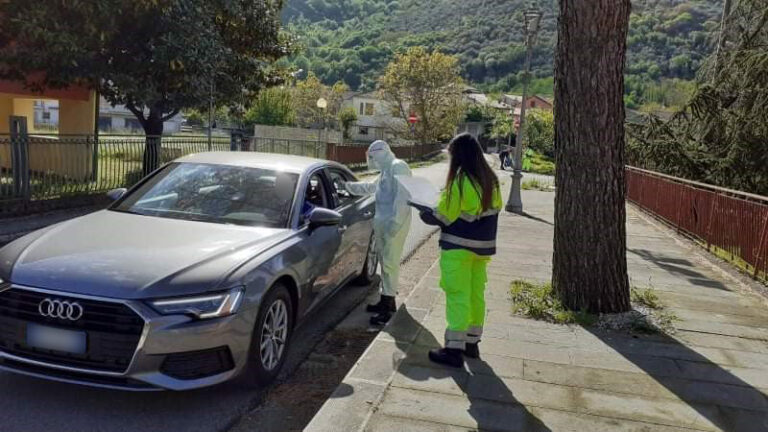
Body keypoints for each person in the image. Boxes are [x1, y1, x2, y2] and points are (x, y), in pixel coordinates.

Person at [416, 133, 502, 367]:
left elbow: (444, 215)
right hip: (482, 250)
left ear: (459, 155)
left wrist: (426, 214)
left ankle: (453, 349)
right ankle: (472, 344)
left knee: (457, 294)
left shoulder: (460, 181)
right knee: (476, 294)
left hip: (458, 248)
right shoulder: (490, 179)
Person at [345, 140, 412, 325]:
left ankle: (388, 307)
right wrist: (346, 186)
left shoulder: (398, 167)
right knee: (384, 262)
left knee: (390, 264)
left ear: (381, 152)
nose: (372, 160)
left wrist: (395, 224)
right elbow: (371, 187)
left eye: (373, 156)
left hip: (393, 225)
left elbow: (403, 197)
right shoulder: (386, 169)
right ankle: (385, 300)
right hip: (384, 223)